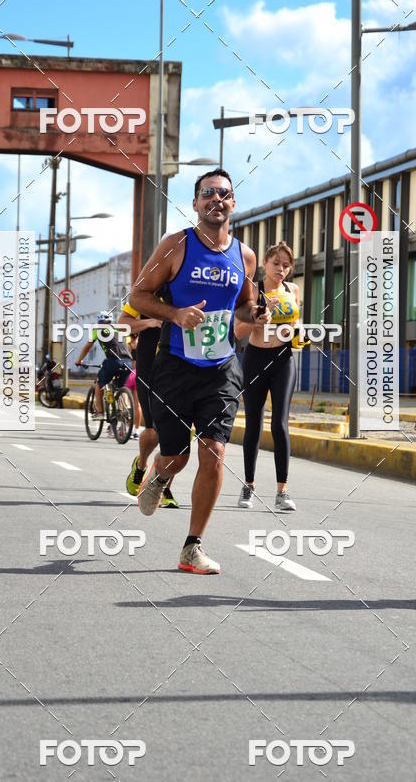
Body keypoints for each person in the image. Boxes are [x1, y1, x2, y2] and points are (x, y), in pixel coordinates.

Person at [128, 168, 268, 574]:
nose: (216, 199)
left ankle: (192, 547)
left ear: (233, 203)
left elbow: (243, 305)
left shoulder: (244, 255)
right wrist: (174, 313)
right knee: (177, 456)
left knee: (215, 451)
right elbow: (138, 294)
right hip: (174, 365)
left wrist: (255, 313)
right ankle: (158, 476)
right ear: (195, 203)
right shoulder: (176, 246)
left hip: (222, 368)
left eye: (224, 193)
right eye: (208, 193)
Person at [234, 241, 300, 511]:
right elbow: (237, 332)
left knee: (280, 424)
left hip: (283, 359)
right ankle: (248, 486)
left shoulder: (293, 290)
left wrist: (298, 331)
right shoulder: (252, 289)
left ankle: (282, 491)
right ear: (265, 263)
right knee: (254, 425)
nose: (281, 269)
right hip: (255, 358)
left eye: (286, 265)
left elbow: (297, 326)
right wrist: (256, 319)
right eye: (276, 264)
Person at [120, 303, 178, 508]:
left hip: (178, 370)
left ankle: (164, 486)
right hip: (149, 370)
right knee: (153, 431)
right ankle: (141, 463)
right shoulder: (146, 291)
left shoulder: (186, 287)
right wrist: (150, 322)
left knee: (176, 434)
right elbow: (122, 324)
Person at [75, 312, 133, 420]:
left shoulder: (98, 330)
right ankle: (125, 408)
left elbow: (88, 346)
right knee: (121, 387)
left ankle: (100, 412)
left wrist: (79, 360)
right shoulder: (118, 330)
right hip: (128, 362)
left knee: (99, 383)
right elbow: (127, 347)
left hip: (113, 361)